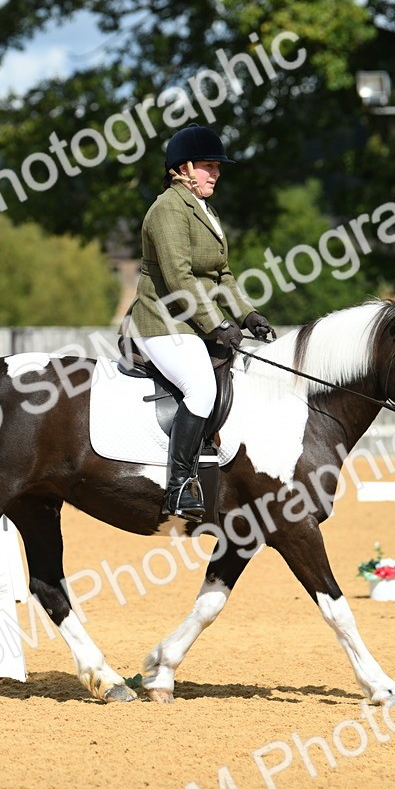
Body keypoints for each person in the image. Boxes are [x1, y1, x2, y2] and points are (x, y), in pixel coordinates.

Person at [123, 123, 275, 520]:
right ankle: (178, 487)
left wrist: (247, 315)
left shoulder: (204, 209)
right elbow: (178, 278)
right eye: (209, 166)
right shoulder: (166, 210)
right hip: (164, 322)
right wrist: (217, 325)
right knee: (202, 388)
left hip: (194, 322)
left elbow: (222, 274)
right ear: (183, 168)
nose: (217, 173)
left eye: (217, 167)